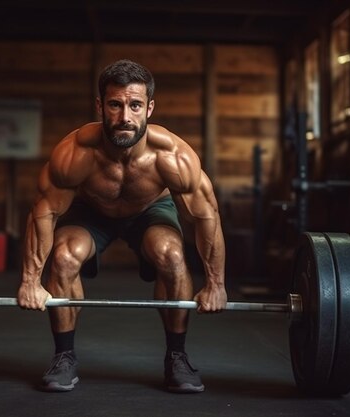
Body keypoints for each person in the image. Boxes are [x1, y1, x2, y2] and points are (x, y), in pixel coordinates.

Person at [17, 59, 227, 393]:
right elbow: (43, 213)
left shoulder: (172, 157)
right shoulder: (75, 153)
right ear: (100, 106)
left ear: (149, 108)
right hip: (90, 212)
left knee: (171, 255)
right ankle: (64, 356)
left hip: (150, 210)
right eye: (115, 105)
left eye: (135, 105)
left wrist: (215, 283)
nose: (125, 117)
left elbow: (206, 217)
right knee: (63, 256)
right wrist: (30, 280)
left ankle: (177, 356)